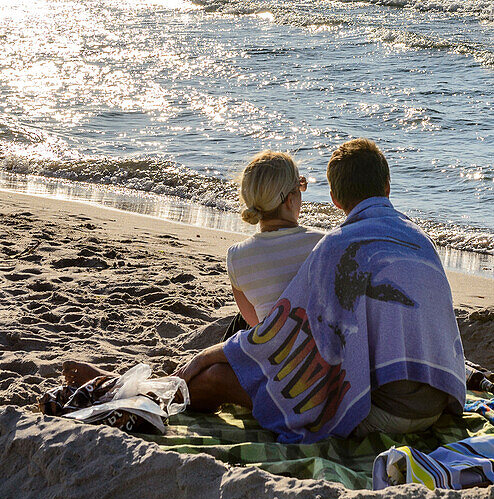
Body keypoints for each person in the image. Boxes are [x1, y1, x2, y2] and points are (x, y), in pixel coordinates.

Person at [177, 139, 466, 442]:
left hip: (385, 411)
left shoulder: (337, 247)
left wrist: (207, 357)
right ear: (388, 187)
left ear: (335, 200)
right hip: (439, 399)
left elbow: (279, 334)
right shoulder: (421, 239)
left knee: (213, 380)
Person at [225, 152, 324, 331]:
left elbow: (256, 324)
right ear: (289, 200)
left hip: (272, 350)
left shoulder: (236, 256)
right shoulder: (321, 243)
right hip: (315, 350)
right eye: (300, 185)